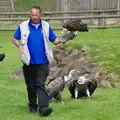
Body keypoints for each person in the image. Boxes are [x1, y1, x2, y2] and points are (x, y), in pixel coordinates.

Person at [12, 6, 76, 117]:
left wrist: (68, 37)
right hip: (28, 63)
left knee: (40, 85)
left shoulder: (46, 26)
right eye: (32, 15)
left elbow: (55, 40)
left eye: (36, 15)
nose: (34, 17)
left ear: (40, 15)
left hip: (43, 62)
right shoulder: (23, 26)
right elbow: (14, 38)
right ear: (30, 15)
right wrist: (19, 46)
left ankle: (43, 108)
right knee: (31, 86)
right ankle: (32, 106)